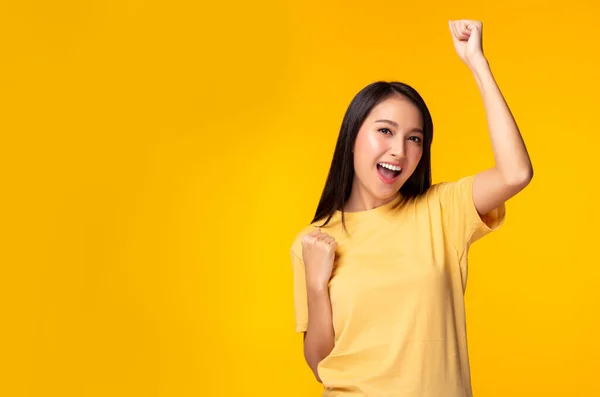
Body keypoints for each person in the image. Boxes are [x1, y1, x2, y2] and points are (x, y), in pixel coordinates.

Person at [288, 20, 533, 396]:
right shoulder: (314, 240)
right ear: (353, 136)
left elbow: (515, 173)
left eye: (414, 138)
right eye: (385, 131)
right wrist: (316, 285)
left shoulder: (442, 211)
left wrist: (476, 63)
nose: (399, 151)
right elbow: (321, 365)